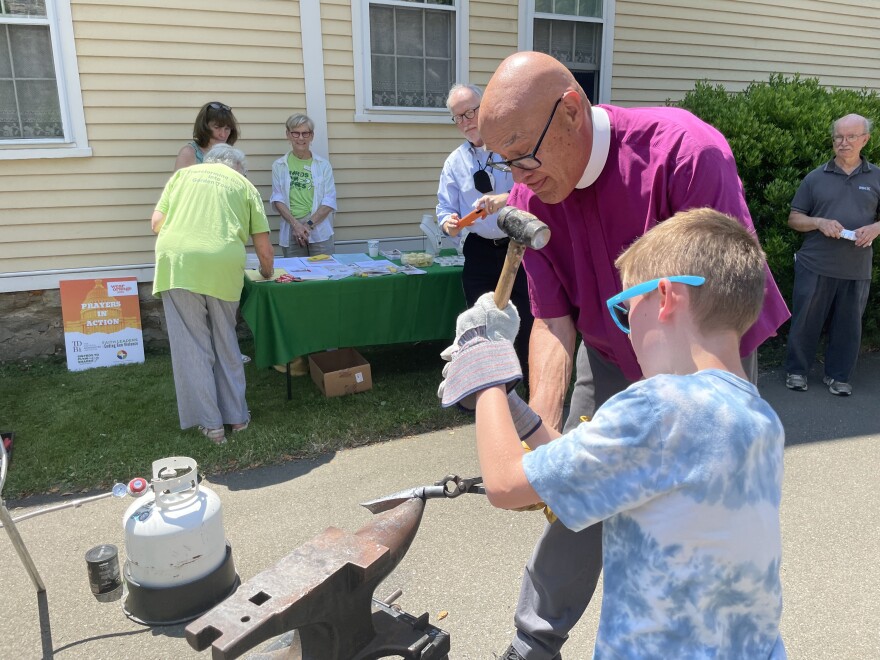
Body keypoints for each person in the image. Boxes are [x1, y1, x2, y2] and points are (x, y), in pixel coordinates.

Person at [476, 51, 791, 660]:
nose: (516, 173)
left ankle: (697, 624)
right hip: (608, 348)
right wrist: (543, 430)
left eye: (521, 151)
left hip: (697, 353)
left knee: (701, 500)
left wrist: (486, 382)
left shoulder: (685, 151)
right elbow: (551, 318)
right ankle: (535, 640)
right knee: (577, 497)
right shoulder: (532, 192)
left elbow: (724, 291)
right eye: (502, 159)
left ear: (569, 111)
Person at [438, 208, 786, 659]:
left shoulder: (659, 408)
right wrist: (510, 401)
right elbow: (586, 465)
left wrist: (482, 367)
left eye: (626, 309)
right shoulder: (757, 417)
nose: (626, 329)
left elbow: (506, 484)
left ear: (664, 298)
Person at [152, 145, 274, 444]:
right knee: (226, 340)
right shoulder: (245, 186)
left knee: (193, 347)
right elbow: (263, 246)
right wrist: (268, 272)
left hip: (179, 265)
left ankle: (212, 426)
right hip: (223, 265)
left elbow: (156, 223)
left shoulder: (182, 177)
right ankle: (238, 417)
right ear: (237, 168)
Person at [437, 83, 534, 380]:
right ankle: (489, 391)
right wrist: (448, 223)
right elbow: (444, 208)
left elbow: (535, 187)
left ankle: (531, 390)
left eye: (471, 112)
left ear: (486, 107)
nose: (466, 121)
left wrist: (505, 199)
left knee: (527, 322)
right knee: (480, 323)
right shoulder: (455, 162)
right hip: (479, 250)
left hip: (519, 248)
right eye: (458, 117)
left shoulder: (513, 146)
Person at [783, 114, 880, 396]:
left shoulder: (877, 176)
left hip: (856, 267)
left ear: (865, 139)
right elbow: (794, 218)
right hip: (815, 264)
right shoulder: (816, 177)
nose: (844, 142)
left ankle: (838, 377)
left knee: (849, 327)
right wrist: (818, 222)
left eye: (851, 137)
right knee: (805, 322)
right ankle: (796, 371)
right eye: (838, 137)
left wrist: (875, 227)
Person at [270, 113, 337, 258]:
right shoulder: (279, 165)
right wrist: (296, 226)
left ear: (311, 136)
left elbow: (329, 200)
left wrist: (307, 226)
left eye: (305, 133)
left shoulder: (323, 165)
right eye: (296, 133)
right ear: (288, 135)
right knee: (296, 275)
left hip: (318, 228)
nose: (300, 138)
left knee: (324, 275)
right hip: (292, 228)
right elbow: (277, 198)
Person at [173, 102, 240, 171]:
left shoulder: (233, 155)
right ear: (204, 127)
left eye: (227, 129)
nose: (223, 134)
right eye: (217, 127)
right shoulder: (189, 153)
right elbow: (179, 181)